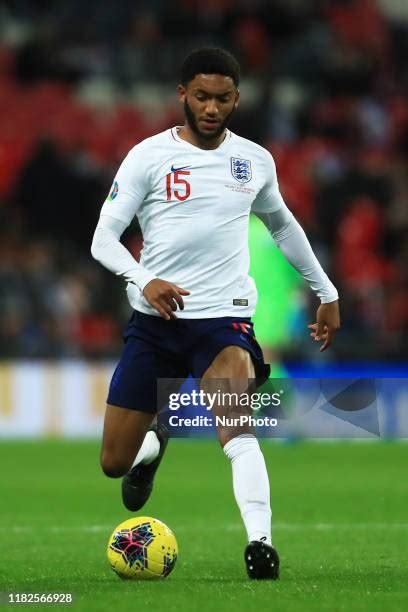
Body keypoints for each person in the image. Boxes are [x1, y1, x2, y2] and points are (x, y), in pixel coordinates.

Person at [91, 47, 340, 580]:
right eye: (201, 96)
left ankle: (261, 545)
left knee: (236, 427)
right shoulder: (147, 157)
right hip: (156, 324)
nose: (211, 108)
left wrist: (327, 290)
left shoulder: (254, 161)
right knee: (115, 461)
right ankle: (154, 445)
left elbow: (283, 227)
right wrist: (143, 278)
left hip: (224, 322)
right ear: (182, 95)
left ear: (236, 99)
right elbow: (102, 240)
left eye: (222, 98)